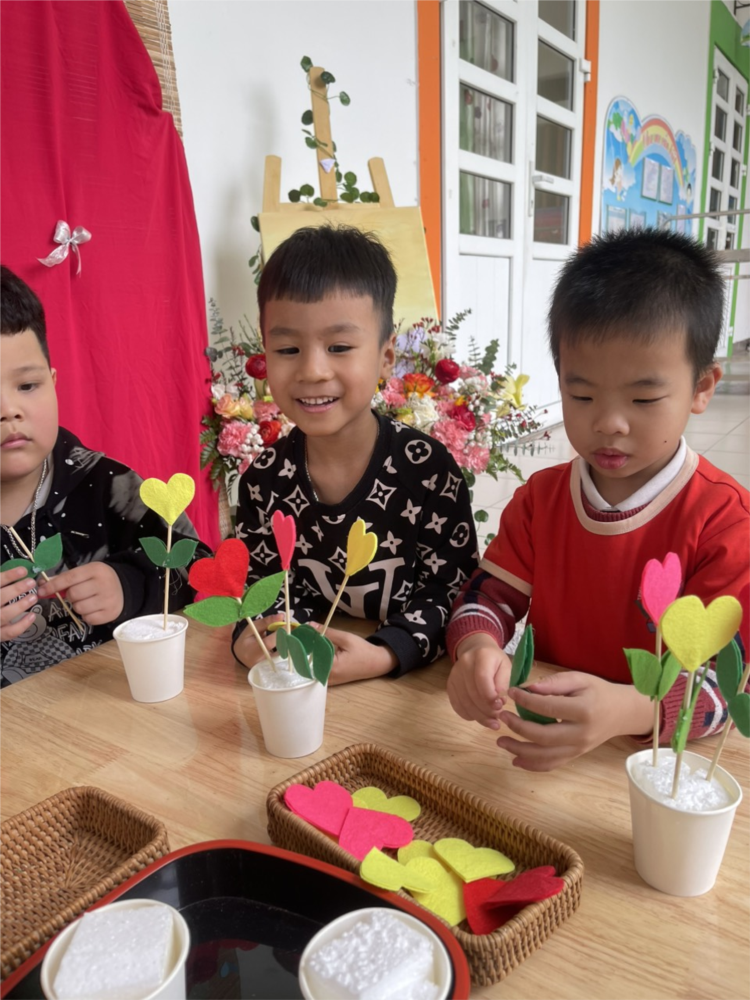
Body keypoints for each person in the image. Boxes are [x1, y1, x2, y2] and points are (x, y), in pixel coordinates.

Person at [446, 229, 750, 770]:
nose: (609, 423)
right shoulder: (540, 501)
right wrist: (477, 648)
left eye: (644, 398)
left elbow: (726, 687)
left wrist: (631, 708)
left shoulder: (727, 522)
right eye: (581, 394)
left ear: (702, 387)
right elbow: (487, 597)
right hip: (541, 745)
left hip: (657, 766)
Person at [233, 225, 478, 683]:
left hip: (407, 688)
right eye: (288, 349)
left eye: (340, 347)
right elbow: (262, 588)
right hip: (298, 683)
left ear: (386, 357)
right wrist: (255, 637)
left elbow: (452, 591)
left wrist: (385, 653)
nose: (312, 370)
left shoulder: (428, 471)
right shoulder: (263, 481)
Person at [0, 265, 207, 685]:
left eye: (27, 386)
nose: (8, 411)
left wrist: (128, 584)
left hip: (111, 706)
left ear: (52, 382)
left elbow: (198, 565)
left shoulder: (107, 485)